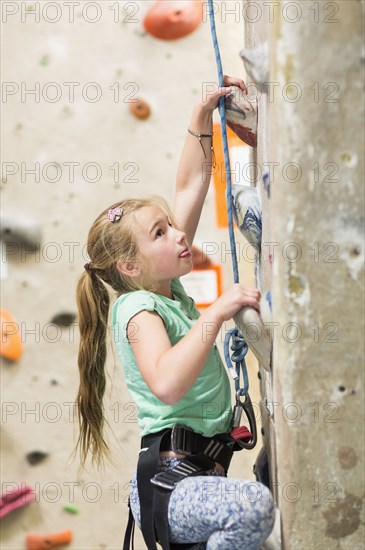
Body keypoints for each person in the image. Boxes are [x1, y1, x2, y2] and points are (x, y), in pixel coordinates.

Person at [75, 76, 275, 550]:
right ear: (130, 266)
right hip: (170, 484)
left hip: (191, 473)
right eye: (160, 234)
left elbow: (190, 183)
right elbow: (165, 382)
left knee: (258, 520)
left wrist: (200, 113)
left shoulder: (165, 286)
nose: (179, 236)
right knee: (253, 509)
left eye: (170, 227)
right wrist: (218, 312)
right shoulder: (137, 308)